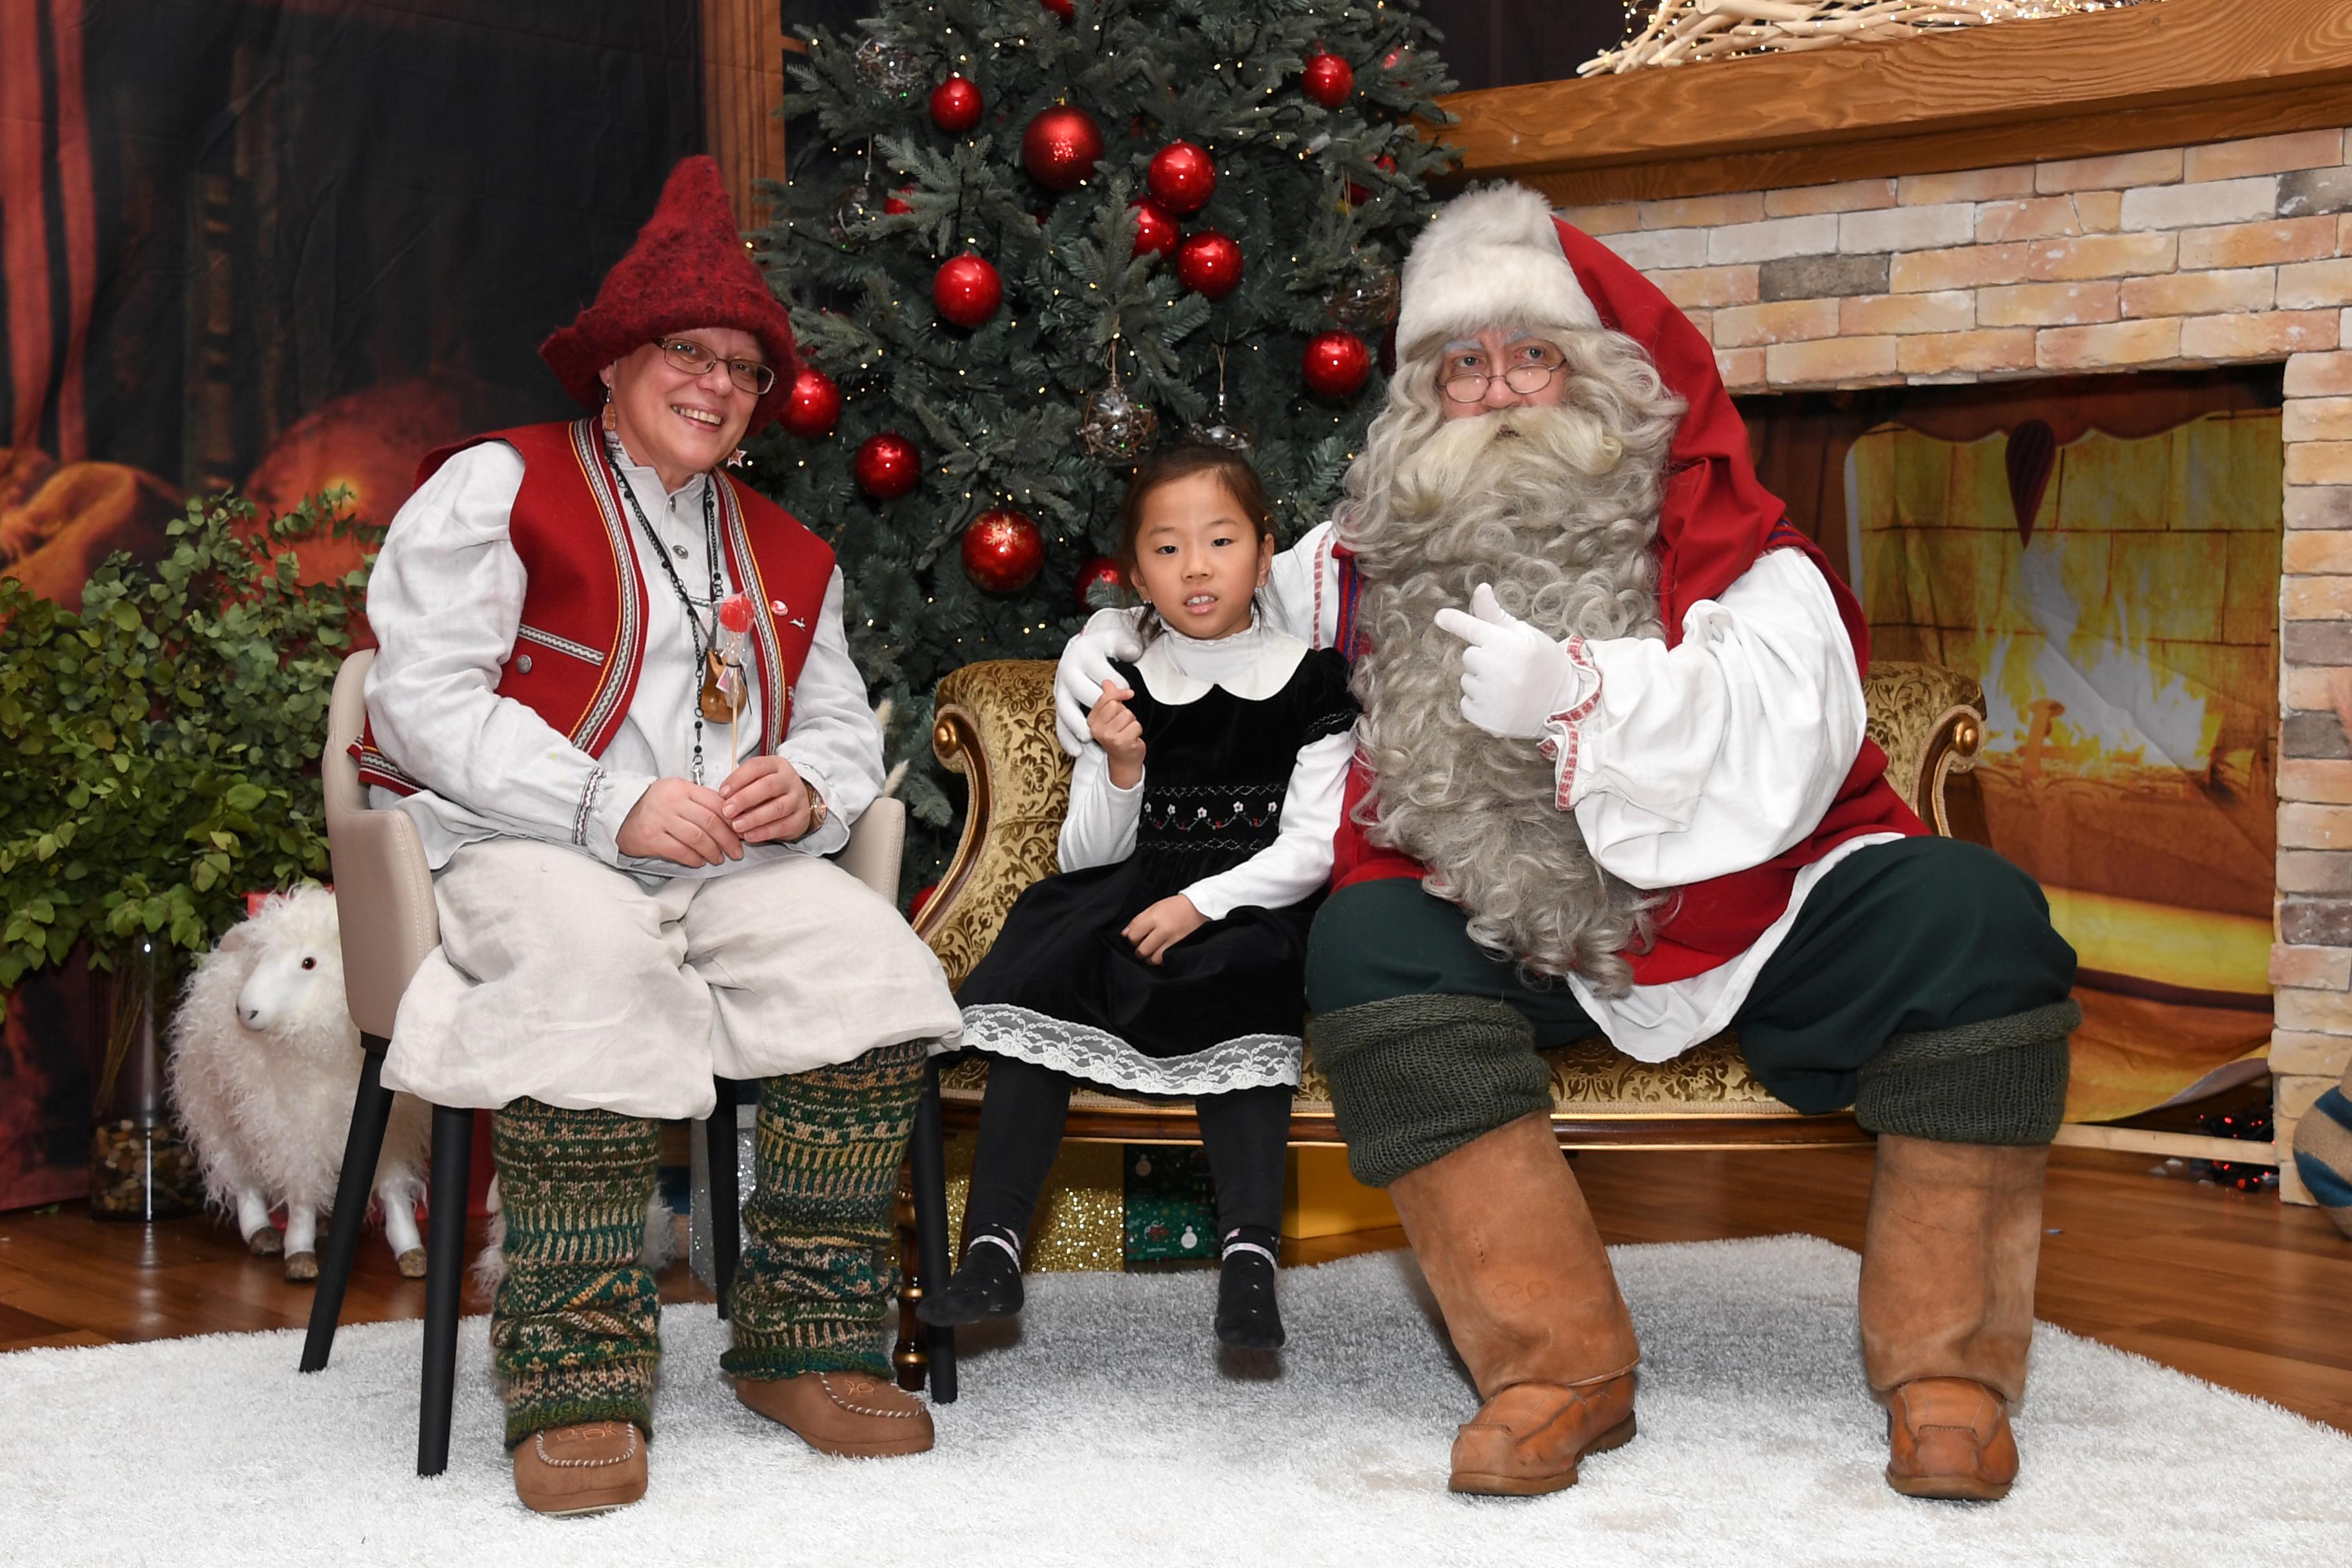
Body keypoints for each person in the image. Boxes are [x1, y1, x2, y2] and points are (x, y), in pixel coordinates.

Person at [1055, 183, 2078, 1502]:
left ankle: (1951, 1373)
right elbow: (1203, 587)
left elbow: (1791, 736)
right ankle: (1554, 1367)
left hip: (1746, 911)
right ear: (1424, 400)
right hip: (1501, 919)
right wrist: (1105, 643)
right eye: (1462, 366)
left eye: (1531, 355)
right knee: (1367, 940)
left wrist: (1584, 697)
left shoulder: (1741, 552)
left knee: (1979, 919)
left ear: (1602, 379)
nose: (1497, 392)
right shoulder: (1361, 556)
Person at [358, 156, 962, 1516]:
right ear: (620, 362)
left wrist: (804, 788)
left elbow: (843, 728)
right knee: (590, 968)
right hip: (524, 849)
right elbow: (420, 700)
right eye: (688, 352)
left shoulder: (791, 549)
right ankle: (574, 1372)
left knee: (868, 973)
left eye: (745, 370)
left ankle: (801, 1343)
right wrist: (604, 801)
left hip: (726, 869)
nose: (717, 384)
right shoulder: (496, 486)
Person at [928, 443, 1358, 1351]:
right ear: (1136, 575)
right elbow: (1086, 853)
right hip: (1130, 890)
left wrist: (1204, 904)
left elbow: (1314, 845)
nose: (1195, 567)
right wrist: (1121, 765)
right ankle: (994, 1248)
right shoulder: (1123, 684)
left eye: (1220, 541)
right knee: (1046, 982)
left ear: (1263, 551)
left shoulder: (1315, 681)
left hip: (1249, 900)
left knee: (1249, 982)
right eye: (1166, 549)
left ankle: (1249, 1258)